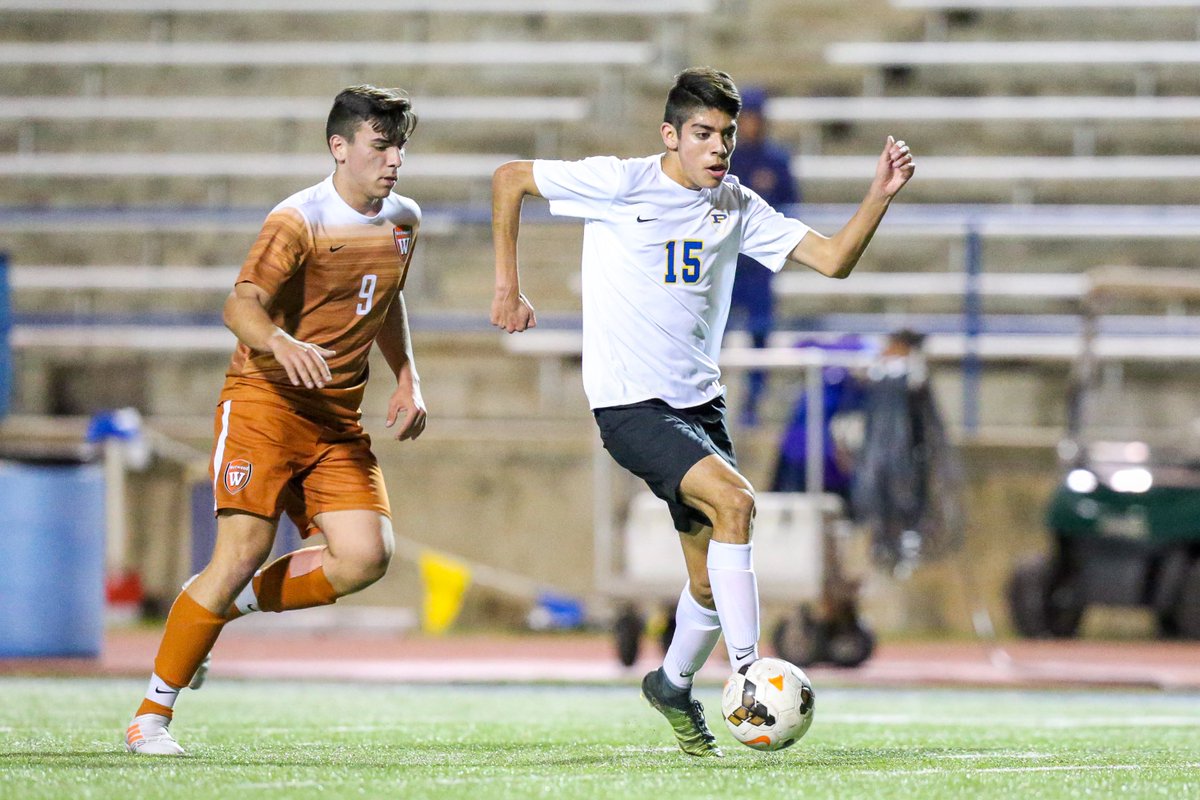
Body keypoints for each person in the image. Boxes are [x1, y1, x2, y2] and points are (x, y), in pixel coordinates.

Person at [490, 67, 914, 757]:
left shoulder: (736, 203)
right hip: (629, 404)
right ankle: (750, 674)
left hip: (699, 405)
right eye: (703, 134)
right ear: (671, 136)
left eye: (727, 135)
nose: (719, 148)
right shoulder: (621, 182)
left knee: (707, 583)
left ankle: (671, 682)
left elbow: (833, 260)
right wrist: (509, 287)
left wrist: (879, 196)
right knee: (738, 504)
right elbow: (510, 177)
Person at [125, 85, 428, 756]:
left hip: (335, 419)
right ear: (339, 147)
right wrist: (280, 342)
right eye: (382, 146)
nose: (395, 161)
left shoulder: (403, 218)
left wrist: (408, 375)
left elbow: (386, 300)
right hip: (264, 404)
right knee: (241, 553)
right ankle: (150, 717)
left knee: (365, 557)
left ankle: (218, 607)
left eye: (401, 146)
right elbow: (240, 304)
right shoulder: (298, 218)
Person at [728, 87, 799, 426]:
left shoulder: (776, 160)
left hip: (758, 266)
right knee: (714, 332)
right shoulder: (725, 157)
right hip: (725, 263)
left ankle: (752, 405)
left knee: (760, 334)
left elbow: (790, 205)